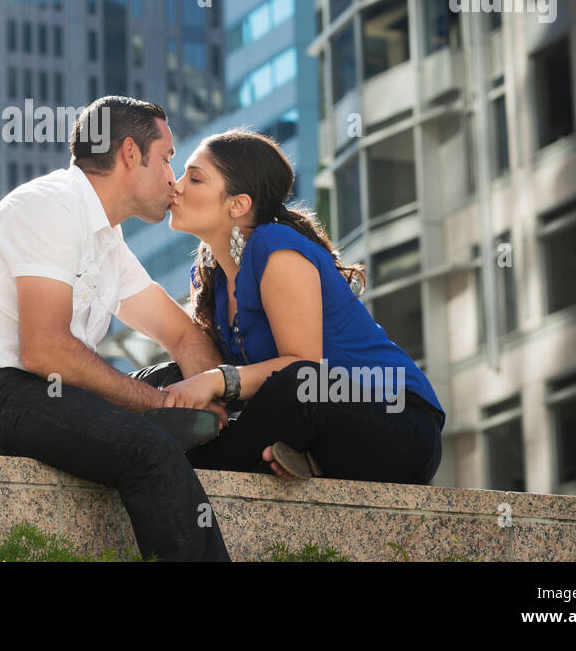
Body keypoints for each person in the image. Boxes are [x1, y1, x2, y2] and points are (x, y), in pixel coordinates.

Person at [0, 96, 231, 561]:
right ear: (131, 153)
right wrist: (158, 404)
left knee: (182, 382)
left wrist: (214, 395)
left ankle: (247, 445)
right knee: (151, 449)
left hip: (39, 392)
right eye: (167, 159)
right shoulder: (52, 205)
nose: (173, 179)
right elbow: (45, 350)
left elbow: (184, 336)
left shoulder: (107, 241)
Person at [161, 129, 444, 484]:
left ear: (238, 204)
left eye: (195, 178)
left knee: (295, 382)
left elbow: (304, 368)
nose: (177, 184)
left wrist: (216, 380)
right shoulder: (210, 276)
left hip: (397, 423)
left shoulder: (277, 249)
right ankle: (298, 457)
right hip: (319, 423)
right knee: (175, 376)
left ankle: (186, 471)